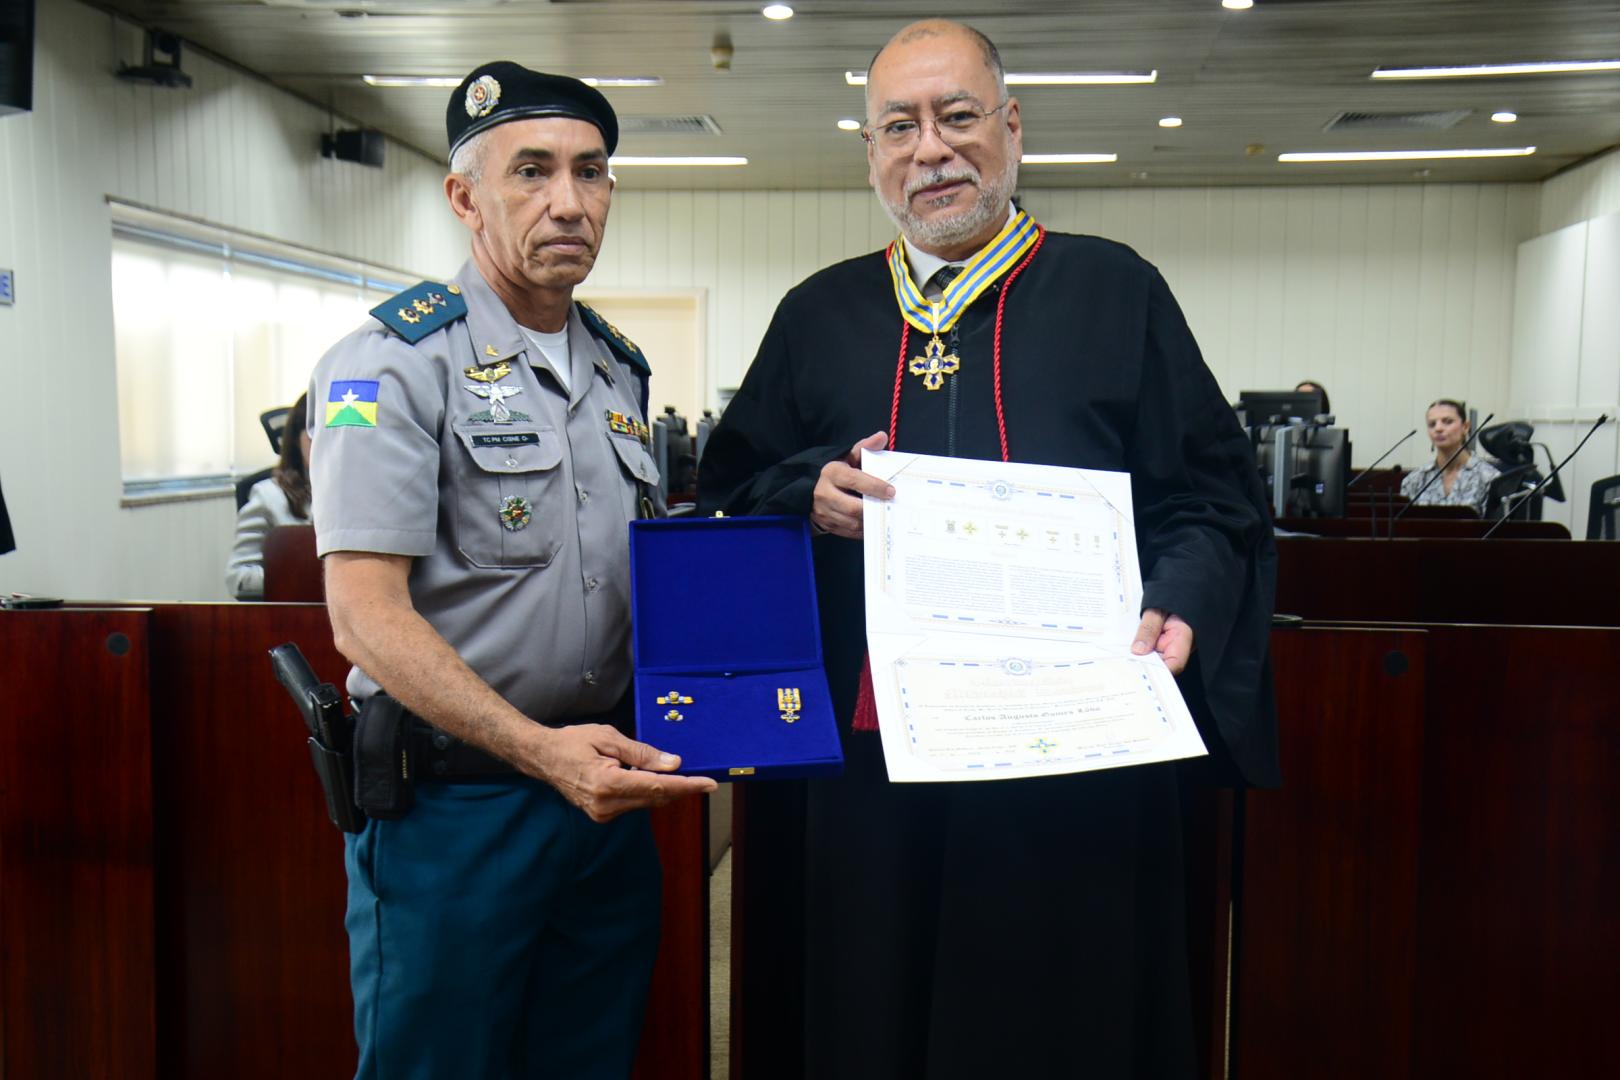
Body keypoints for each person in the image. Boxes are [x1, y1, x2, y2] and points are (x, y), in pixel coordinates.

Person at [698, 19, 1278, 1080]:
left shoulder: (1119, 292)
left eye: (958, 117)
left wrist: (1185, 601)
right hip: (869, 766)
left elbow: (1212, 498)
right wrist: (806, 490)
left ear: (1010, 129)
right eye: (900, 127)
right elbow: (730, 489)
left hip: (1070, 761)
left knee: (1055, 1023)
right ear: (869, 153)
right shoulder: (815, 314)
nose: (932, 149)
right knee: (869, 1015)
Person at [306, 61, 716, 1080]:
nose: (568, 201)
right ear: (465, 197)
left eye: (590, 172)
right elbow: (364, 620)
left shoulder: (620, 367)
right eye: (531, 172)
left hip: (600, 805)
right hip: (458, 814)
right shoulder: (384, 364)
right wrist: (541, 752)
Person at [225, 393, 311, 599]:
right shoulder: (270, 497)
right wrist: (301, 578)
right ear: (295, 441)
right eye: (315, 433)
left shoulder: (366, 494)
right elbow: (239, 578)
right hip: (297, 619)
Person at [1399, 398, 1500, 515]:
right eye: (1432, 424)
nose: (1438, 428)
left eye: (1447, 421)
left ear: (1466, 427)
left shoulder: (1489, 478)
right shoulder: (1414, 480)